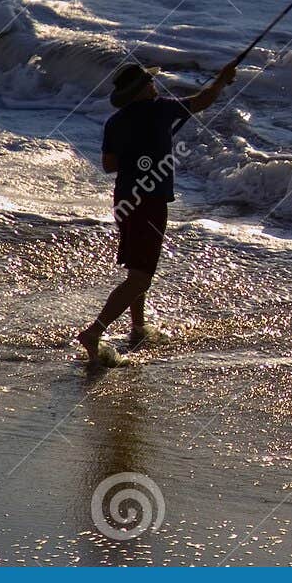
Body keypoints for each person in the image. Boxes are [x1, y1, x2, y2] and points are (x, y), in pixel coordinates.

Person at [77, 61, 236, 361]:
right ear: (140, 90)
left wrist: (139, 154)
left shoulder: (115, 122)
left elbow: (109, 165)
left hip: (125, 200)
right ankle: (93, 332)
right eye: (150, 83)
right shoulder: (160, 109)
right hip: (149, 203)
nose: (155, 86)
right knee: (140, 277)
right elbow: (202, 101)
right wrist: (222, 80)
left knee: (138, 268)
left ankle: (138, 327)